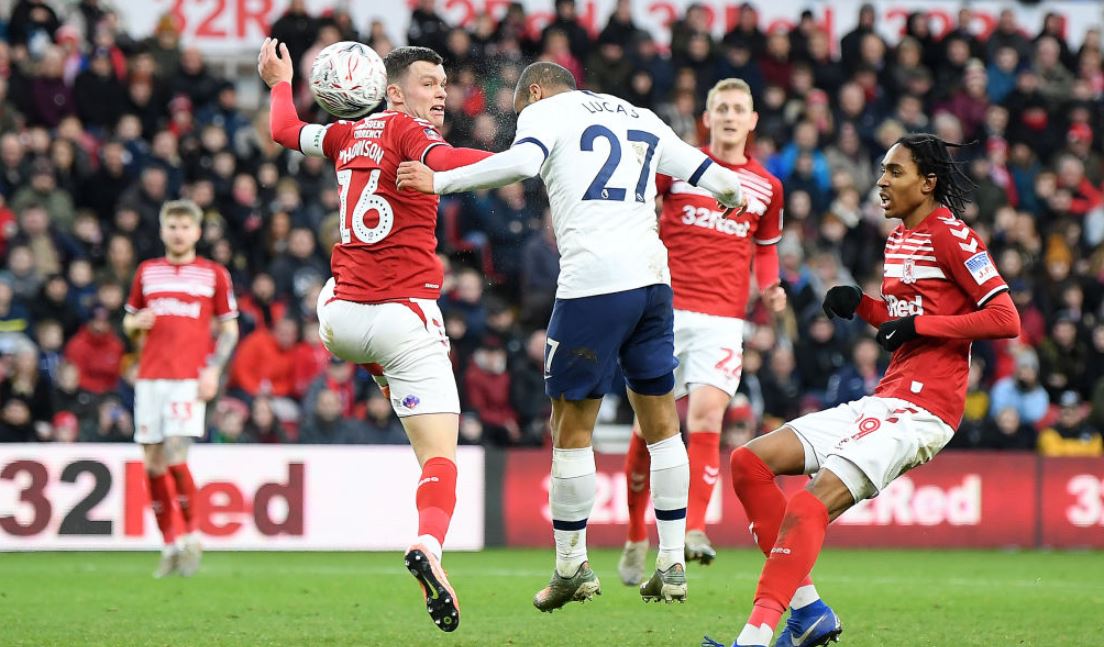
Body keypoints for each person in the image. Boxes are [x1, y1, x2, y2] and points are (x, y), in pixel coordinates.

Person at [396, 61, 755, 611]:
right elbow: (720, 179)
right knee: (663, 425)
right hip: (655, 286)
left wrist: (440, 181)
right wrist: (730, 194)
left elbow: (520, 164)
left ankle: (570, 567)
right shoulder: (639, 115)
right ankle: (672, 563)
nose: (524, 118)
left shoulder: (547, 111)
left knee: (569, 426)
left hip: (593, 285)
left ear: (535, 92)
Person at [703, 134, 1021, 647]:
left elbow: (1006, 319)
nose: (881, 181)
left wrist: (920, 327)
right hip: (887, 395)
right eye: (881, 171)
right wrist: (865, 306)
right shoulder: (898, 239)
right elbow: (905, 321)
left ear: (928, 182)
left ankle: (753, 640)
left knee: (809, 505)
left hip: (925, 407)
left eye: (895, 172)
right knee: (748, 462)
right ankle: (809, 614)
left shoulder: (952, 236)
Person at [257, 38, 493, 633]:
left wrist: (279, 82)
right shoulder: (409, 132)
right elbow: (445, 163)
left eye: (443, 84)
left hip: (339, 319)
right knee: (441, 458)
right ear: (391, 92)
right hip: (401, 319)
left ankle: (390, 382)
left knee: (352, 326)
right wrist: (525, 158)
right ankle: (430, 548)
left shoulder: (341, 135)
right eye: (427, 83)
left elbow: (285, 130)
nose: (440, 94)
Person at [616, 78, 787, 586]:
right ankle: (632, 534)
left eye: (740, 108)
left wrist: (772, 287)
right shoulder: (681, 167)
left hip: (723, 320)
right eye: (722, 108)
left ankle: (694, 528)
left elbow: (766, 248)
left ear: (752, 120)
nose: (731, 116)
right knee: (650, 430)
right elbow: (642, 212)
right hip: (665, 312)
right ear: (707, 118)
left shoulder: (767, 188)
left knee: (710, 413)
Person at [122, 200, 239, 578]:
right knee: (152, 462)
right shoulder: (147, 272)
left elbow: (230, 329)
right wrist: (134, 322)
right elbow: (128, 322)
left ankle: (192, 536)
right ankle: (169, 543)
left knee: (175, 456)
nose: (178, 232)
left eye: (185, 227)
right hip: (149, 378)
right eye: (172, 226)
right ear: (162, 230)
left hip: (188, 379)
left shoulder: (213, 275)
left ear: (197, 232)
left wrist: (212, 372)